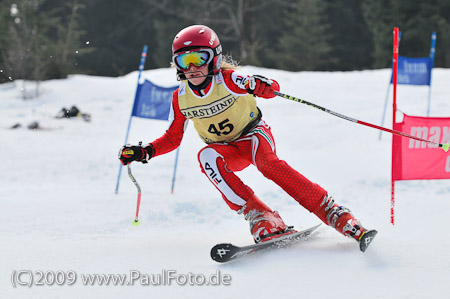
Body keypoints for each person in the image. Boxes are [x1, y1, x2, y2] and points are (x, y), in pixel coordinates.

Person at [119, 25, 376, 250]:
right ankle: (261, 215)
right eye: (185, 62)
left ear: (215, 59)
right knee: (206, 156)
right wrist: (145, 151)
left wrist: (263, 86)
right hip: (225, 149)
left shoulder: (229, 79)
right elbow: (173, 137)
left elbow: (266, 86)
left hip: (253, 137)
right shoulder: (180, 97)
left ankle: (333, 212)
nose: (193, 67)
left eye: (200, 58)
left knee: (268, 164)